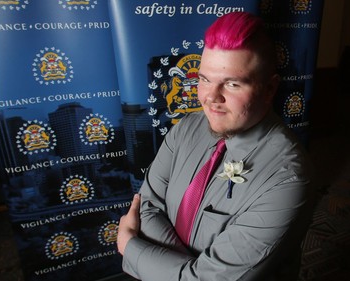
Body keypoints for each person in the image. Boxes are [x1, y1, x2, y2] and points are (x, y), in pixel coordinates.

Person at [117, 11, 315, 281]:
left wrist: (131, 248)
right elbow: (147, 206)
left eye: (232, 84)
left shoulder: (287, 179)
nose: (210, 98)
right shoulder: (186, 128)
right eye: (204, 79)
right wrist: (189, 271)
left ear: (269, 89)